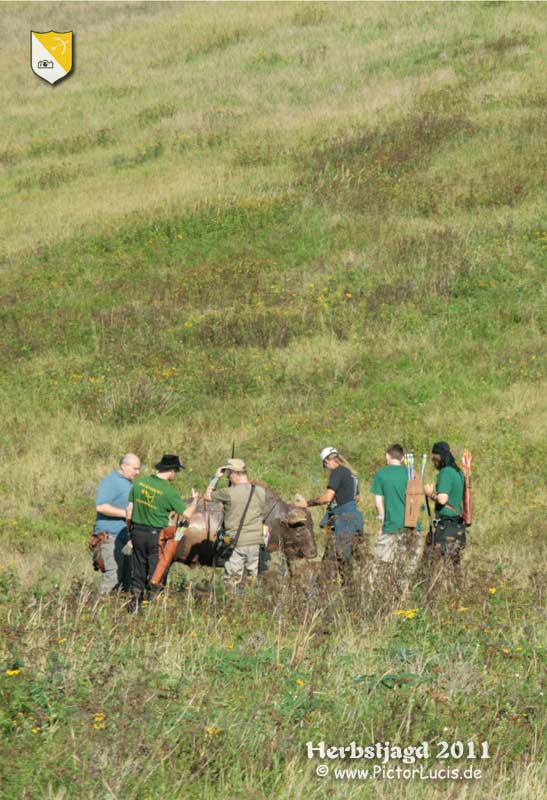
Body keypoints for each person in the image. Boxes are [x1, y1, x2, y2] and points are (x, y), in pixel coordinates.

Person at [126, 454, 198, 609]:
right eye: (176, 471)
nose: (175, 474)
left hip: (137, 532)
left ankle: (135, 605)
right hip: (156, 536)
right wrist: (195, 501)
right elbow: (187, 515)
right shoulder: (169, 492)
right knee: (156, 571)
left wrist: (130, 533)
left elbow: (129, 511)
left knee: (138, 569)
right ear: (171, 470)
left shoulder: (139, 483)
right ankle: (152, 606)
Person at [296, 447, 363, 583]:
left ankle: (322, 594)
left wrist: (306, 504)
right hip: (354, 521)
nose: (326, 468)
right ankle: (350, 595)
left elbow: (327, 497)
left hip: (343, 523)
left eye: (324, 465)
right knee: (346, 562)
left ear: (327, 461)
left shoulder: (337, 472)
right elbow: (357, 498)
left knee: (331, 563)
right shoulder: (352, 474)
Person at [204, 458, 266, 592]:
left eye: (228, 475)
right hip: (256, 542)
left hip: (236, 542)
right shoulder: (261, 491)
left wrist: (216, 477)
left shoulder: (228, 493)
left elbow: (207, 496)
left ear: (233, 474)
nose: (229, 477)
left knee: (232, 580)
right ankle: (250, 602)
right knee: (252, 577)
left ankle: (232, 604)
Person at [369, 444, 422, 598]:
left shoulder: (381, 474)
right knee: (407, 569)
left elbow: (378, 502)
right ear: (403, 458)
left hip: (391, 528)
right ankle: (404, 598)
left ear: (387, 456)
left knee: (379, 566)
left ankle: (376, 597)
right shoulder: (412, 474)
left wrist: (382, 522)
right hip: (413, 527)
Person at [94, 453, 141, 595]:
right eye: (135, 469)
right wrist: (125, 513)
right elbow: (100, 506)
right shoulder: (110, 481)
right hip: (111, 537)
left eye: (139, 469)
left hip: (125, 538)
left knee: (126, 577)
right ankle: (100, 607)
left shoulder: (127, 482)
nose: (138, 472)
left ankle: (119, 611)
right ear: (123, 466)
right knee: (113, 576)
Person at [424, 441, 466, 573]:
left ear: (439, 457)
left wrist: (430, 493)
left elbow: (442, 499)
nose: (433, 461)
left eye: (433, 458)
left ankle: (428, 589)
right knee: (454, 566)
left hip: (445, 525)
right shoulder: (458, 472)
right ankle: (457, 590)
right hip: (457, 525)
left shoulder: (446, 472)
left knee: (430, 563)